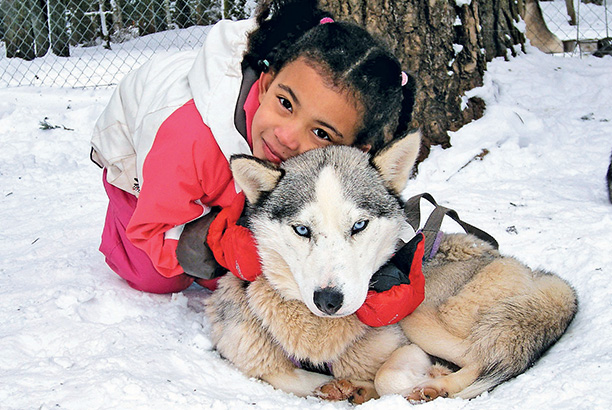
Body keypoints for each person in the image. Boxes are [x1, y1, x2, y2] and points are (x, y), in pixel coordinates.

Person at [91, 0, 419, 325]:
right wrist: (217, 246)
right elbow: (152, 232)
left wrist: (392, 264)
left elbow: (367, 210)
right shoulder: (187, 139)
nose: (287, 136)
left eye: (320, 132)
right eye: (286, 103)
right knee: (159, 276)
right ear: (266, 84)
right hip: (142, 165)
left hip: (246, 165)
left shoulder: (321, 155)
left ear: (354, 151)